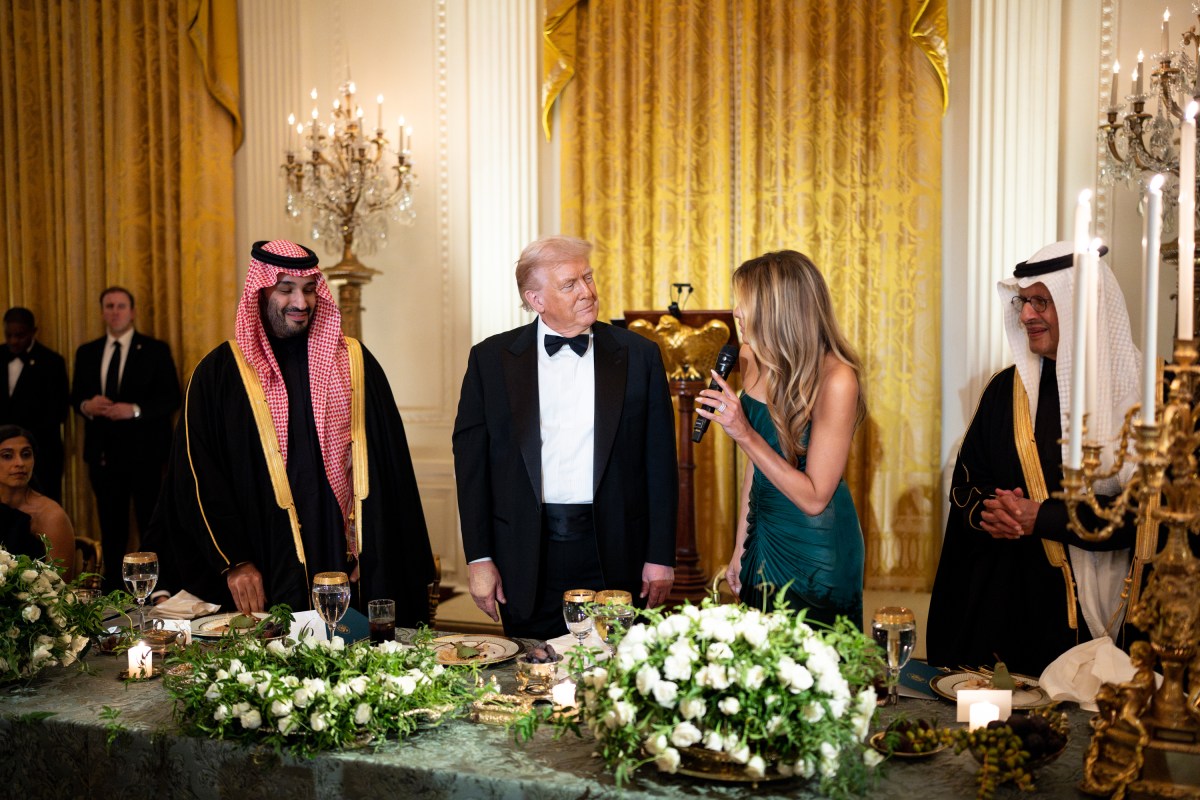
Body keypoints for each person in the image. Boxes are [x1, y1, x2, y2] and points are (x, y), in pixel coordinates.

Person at [144, 240, 435, 625]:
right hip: (265, 562)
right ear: (260, 291)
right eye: (286, 289)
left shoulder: (354, 363)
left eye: (309, 289)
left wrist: (375, 551)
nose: (301, 302)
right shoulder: (218, 376)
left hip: (344, 562)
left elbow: (389, 467)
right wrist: (235, 562)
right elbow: (198, 480)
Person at [926, 241, 1142, 677]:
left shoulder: (1144, 398)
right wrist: (992, 512)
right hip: (1013, 613)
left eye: (1041, 301)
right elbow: (967, 484)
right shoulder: (1006, 391)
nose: (1026, 315)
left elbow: (1147, 516)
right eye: (1023, 301)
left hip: (1113, 609)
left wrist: (1039, 518)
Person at [453, 235, 678, 640]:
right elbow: (472, 467)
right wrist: (479, 558)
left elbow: (659, 463)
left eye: (588, 278)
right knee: (530, 682)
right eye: (570, 284)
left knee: (616, 680)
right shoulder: (490, 360)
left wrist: (660, 556)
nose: (588, 292)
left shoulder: (639, 354)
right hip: (524, 555)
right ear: (536, 300)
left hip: (616, 550)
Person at [695, 250, 865, 629]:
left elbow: (814, 497)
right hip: (763, 533)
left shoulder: (837, 380)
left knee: (817, 671)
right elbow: (755, 468)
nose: (736, 312)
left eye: (745, 303)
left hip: (816, 548)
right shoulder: (751, 357)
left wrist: (743, 432)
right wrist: (740, 546)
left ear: (779, 309)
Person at [71, 287, 180, 592]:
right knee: (111, 529)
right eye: (109, 306)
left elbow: (170, 398)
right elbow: (75, 396)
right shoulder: (87, 352)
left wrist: (133, 410)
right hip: (103, 457)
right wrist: (86, 407)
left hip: (145, 455)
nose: (115, 311)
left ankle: (156, 588)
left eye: (121, 306)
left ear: (132, 312)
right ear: (102, 311)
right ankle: (115, 595)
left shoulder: (155, 349)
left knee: (150, 525)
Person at [1, 308, 69, 502]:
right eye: (9, 335)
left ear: (33, 331)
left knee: (42, 511)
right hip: (1, 455)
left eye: (20, 335)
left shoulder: (52, 362)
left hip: (41, 455)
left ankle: (43, 536)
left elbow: (58, 412)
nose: (13, 340)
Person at [0, 424, 75, 577]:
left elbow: (60, 587)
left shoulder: (52, 516)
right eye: (7, 456)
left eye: (26, 454)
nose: (20, 463)